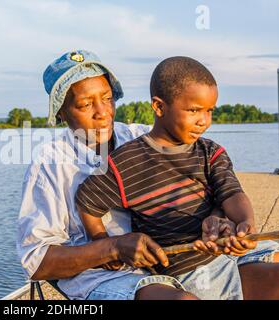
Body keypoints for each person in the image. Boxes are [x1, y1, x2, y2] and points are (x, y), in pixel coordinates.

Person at [16, 50, 262, 300]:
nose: (103, 112)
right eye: (85, 105)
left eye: (108, 98)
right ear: (61, 113)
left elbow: (210, 183)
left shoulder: (140, 137)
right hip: (105, 276)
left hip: (176, 259)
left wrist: (216, 218)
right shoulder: (50, 164)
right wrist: (111, 248)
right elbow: (37, 263)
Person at [75, 56, 279, 299]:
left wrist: (245, 224)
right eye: (193, 110)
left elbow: (232, 193)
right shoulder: (125, 163)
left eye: (209, 111)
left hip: (226, 253)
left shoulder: (210, 152)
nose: (203, 121)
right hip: (187, 270)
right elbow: (87, 201)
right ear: (159, 107)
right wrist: (102, 243)